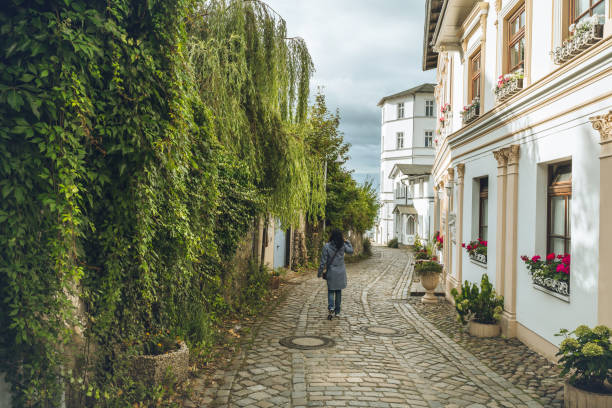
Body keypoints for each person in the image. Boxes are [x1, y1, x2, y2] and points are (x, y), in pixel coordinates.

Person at [317, 229, 353, 320]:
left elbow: (323, 262)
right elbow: (351, 251)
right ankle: (337, 312)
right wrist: (347, 241)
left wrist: (320, 272)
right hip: (341, 272)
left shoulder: (326, 246)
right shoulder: (343, 246)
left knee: (330, 291)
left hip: (331, 272)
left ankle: (331, 308)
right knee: (338, 292)